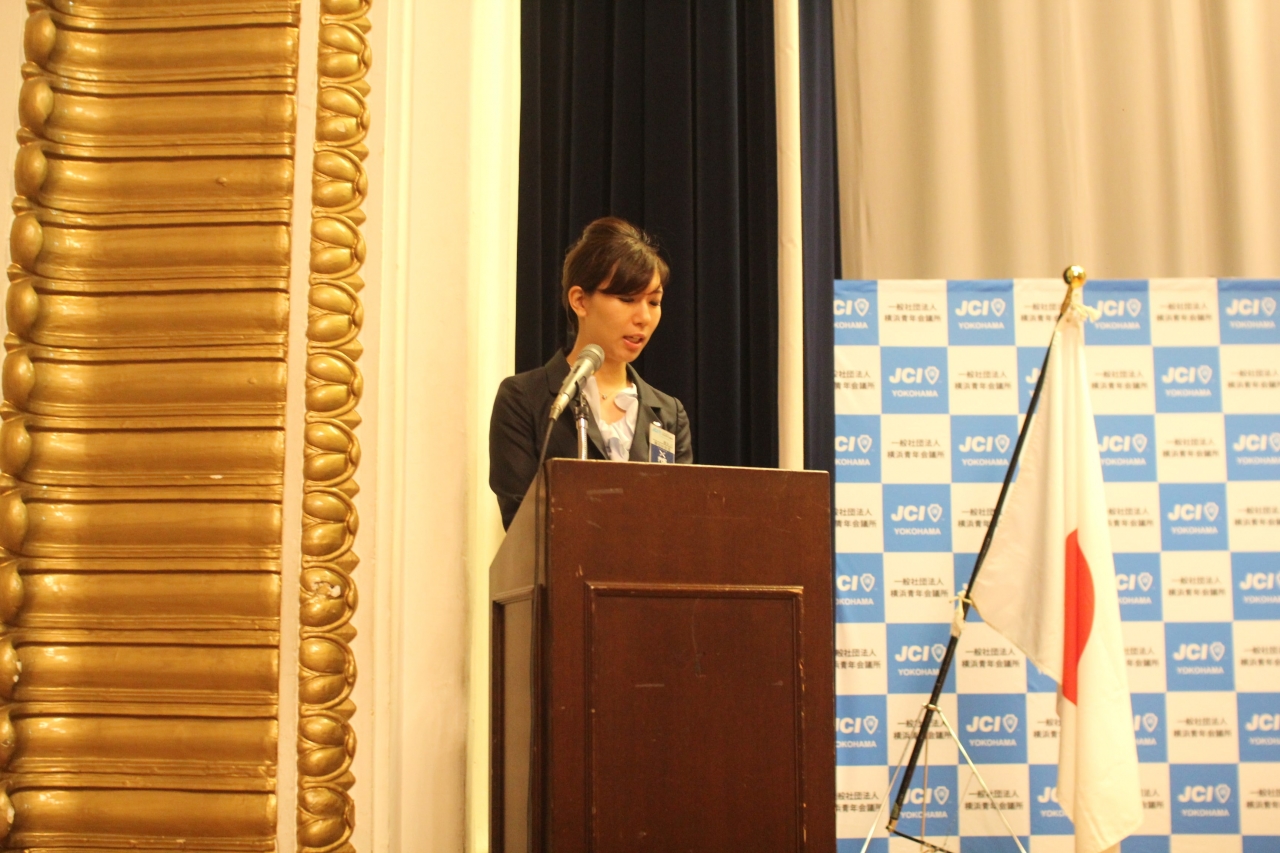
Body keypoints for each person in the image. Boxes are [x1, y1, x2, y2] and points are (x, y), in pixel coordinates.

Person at [489, 217, 693, 529]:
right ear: (580, 301)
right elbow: (521, 523)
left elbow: (680, 522)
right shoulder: (524, 399)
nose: (644, 317)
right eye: (627, 299)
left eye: (654, 302)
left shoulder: (668, 414)